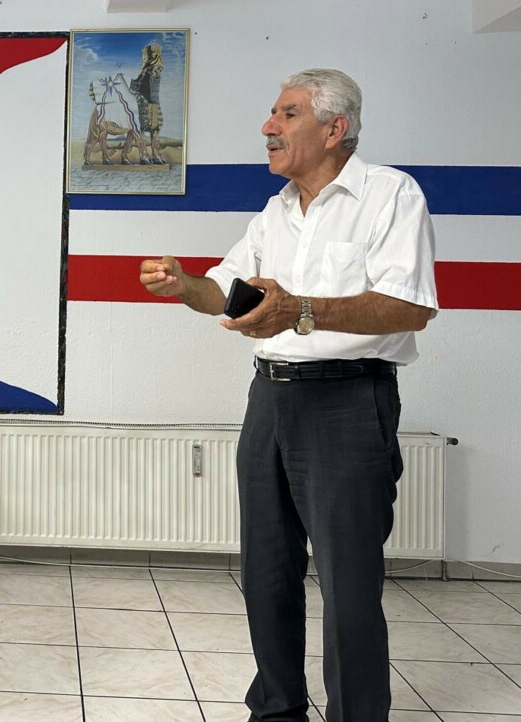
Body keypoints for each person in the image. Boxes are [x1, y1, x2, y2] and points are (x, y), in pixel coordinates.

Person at [140, 69, 437, 722]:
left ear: (335, 128)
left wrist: (300, 308)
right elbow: (228, 291)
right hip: (270, 400)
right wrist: (185, 285)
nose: (268, 127)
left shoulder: (390, 195)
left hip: (348, 402)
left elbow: (410, 307)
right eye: (272, 114)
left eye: (287, 113)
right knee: (267, 572)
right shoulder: (274, 212)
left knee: (348, 584)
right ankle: (277, 709)